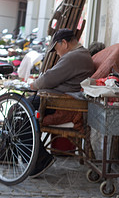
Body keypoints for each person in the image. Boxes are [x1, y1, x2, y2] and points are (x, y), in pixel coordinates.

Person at [27, 28, 95, 178]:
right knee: (20, 109)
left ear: (64, 43)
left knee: (20, 111)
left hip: (58, 102)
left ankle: (39, 158)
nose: (57, 53)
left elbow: (48, 79)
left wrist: (33, 85)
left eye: (56, 49)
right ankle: (24, 154)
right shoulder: (79, 55)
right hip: (57, 98)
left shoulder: (74, 57)